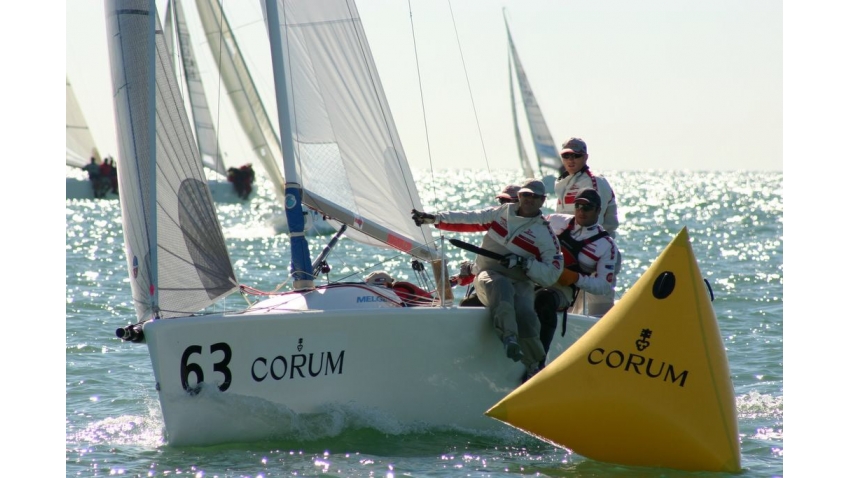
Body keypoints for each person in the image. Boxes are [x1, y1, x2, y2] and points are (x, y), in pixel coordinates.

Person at [411, 178, 563, 378]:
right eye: (526, 194)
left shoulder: (545, 233)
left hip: (521, 280)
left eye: (535, 196)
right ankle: (509, 338)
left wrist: (523, 262)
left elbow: (551, 274)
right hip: (489, 275)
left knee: (526, 315)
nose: (529, 199)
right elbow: (470, 217)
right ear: (519, 196)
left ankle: (536, 369)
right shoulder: (501, 212)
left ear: (543, 201)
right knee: (500, 287)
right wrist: (433, 218)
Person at [535, 188, 620, 370]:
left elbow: (603, 286)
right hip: (536, 274)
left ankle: (537, 363)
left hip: (562, 289)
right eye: (578, 205)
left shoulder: (606, 246)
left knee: (544, 299)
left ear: (598, 210)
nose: (581, 211)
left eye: (587, 207)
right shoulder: (556, 221)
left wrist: (575, 278)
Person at [555, 137, 621, 315]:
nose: (571, 160)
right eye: (566, 155)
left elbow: (594, 223)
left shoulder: (593, 183)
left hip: (596, 255)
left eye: (576, 155)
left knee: (598, 312)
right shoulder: (565, 183)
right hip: (571, 254)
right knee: (570, 310)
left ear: (585, 157)